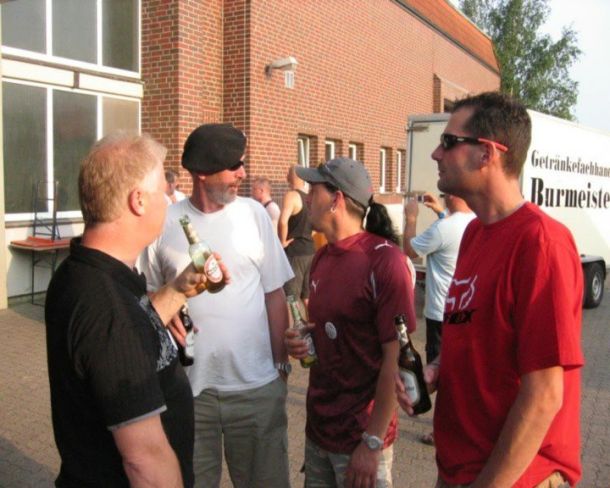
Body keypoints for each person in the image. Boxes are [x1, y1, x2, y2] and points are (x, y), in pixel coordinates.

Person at [396, 92, 583, 488]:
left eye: (449, 142)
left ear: (487, 154)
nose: (436, 154)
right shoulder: (474, 235)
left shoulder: (541, 242)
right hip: (459, 469)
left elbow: (545, 395)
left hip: (516, 478)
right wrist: (436, 369)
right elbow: (476, 333)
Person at [45, 132, 219, 488]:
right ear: (138, 200)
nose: (169, 202)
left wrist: (178, 290)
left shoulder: (83, 271)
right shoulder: (106, 306)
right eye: (164, 192)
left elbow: (131, 331)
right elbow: (145, 461)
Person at [140, 123, 294, 488]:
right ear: (202, 173)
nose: (243, 173)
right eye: (234, 165)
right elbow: (147, 297)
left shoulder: (255, 215)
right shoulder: (165, 222)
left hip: (256, 387)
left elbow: (274, 294)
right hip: (189, 392)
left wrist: (281, 367)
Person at [286, 157, 417, 488]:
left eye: (313, 189)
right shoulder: (321, 257)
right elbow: (335, 330)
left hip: (361, 437)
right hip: (319, 433)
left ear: (337, 199)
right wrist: (303, 338)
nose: (306, 198)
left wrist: (372, 441)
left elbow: (396, 359)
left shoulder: (384, 261)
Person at [402, 192, 474, 446]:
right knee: (458, 371)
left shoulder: (443, 229)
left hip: (440, 312)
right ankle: (460, 424)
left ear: (452, 195)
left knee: (440, 375)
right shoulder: (473, 221)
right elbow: (449, 233)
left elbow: (409, 250)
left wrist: (411, 217)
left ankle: (442, 430)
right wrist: (439, 212)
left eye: (444, 193)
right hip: (463, 309)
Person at [278, 164, 315, 303]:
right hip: (310, 251)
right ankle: (312, 318)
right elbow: (315, 224)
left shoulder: (291, 195)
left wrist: (282, 242)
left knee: (291, 298)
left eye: (287, 172)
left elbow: (283, 221)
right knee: (307, 297)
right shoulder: (309, 198)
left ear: (289, 177)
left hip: (295, 253)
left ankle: (295, 319)